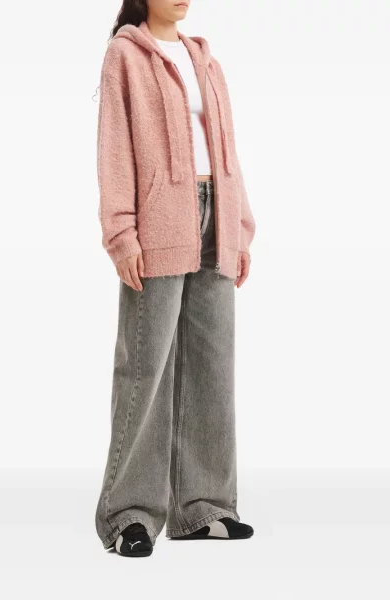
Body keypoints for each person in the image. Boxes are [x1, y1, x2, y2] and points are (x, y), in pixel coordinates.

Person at [94, 0, 256, 558]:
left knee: (213, 365)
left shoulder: (205, 59)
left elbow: (227, 149)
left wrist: (240, 228)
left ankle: (203, 507)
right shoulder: (124, 55)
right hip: (159, 219)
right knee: (147, 368)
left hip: (216, 215)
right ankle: (128, 515)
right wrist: (121, 232)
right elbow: (115, 147)